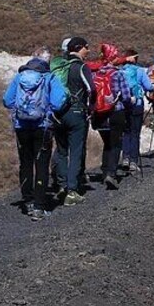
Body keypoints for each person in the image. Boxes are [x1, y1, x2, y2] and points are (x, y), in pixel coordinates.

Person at [3, 46, 67, 220]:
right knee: (41, 164)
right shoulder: (50, 77)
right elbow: (59, 101)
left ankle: (27, 199)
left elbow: (7, 100)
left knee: (25, 163)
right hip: (43, 127)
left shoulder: (19, 77)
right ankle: (39, 206)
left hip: (21, 127)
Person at [51, 37, 93, 206]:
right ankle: (72, 190)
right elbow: (91, 89)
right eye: (86, 47)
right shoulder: (81, 67)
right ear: (78, 48)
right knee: (76, 151)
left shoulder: (58, 66)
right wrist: (90, 108)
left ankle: (60, 185)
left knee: (61, 150)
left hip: (57, 113)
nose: (88, 51)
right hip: (76, 112)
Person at [90, 43, 133, 189]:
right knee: (116, 144)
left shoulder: (95, 73)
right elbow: (126, 97)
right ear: (112, 57)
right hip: (116, 112)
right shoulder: (118, 74)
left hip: (100, 114)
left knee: (107, 143)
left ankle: (104, 171)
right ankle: (111, 173)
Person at [120, 49, 154, 172]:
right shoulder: (140, 71)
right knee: (135, 133)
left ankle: (125, 157)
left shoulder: (120, 71)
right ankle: (133, 161)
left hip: (124, 105)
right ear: (135, 59)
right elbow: (148, 87)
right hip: (137, 105)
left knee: (126, 132)